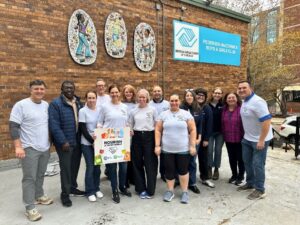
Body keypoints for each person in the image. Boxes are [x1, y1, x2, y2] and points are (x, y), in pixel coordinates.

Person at [9, 80, 53, 222]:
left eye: (41, 89)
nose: (39, 91)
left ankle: (39, 195)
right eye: (36, 89)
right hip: (29, 148)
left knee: (40, 174)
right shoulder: (21, 105)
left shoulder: (46, 105)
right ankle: (29, 207)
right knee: (29, 178)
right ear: (30, 90)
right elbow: (13, 126)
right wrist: (18, 146)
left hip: (44, 147)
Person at [49, 80, 85, 207]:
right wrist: (63, 141)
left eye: (71, 87)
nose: (69, 89)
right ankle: (65, 194)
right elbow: (54, 125)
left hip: (77, 140)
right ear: (61, 89)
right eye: (66, 88)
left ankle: (72, 187)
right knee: (65, 169)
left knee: (74, 166)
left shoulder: (79, 103)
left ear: (74, 89)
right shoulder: (55, 104)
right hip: (64, 142)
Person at [155, 94, 197, 204]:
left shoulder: (186, 114)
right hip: (167, 149)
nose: (174, 103)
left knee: (183, 171)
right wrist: (157, 145)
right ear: (169, 102)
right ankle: (170, 191)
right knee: (169, 171)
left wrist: (192, 146)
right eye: (172, 101)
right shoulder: (163, 115)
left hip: (183, 149)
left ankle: (184, 192)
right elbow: (158, 130)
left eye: (176, 100)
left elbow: (192, 130)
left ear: (179, 101)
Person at [237, 81, 273, 200]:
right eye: (239, 88)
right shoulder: (244, 101)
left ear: (250, 88)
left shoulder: (258, 102)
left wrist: (261, 140)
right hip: (247, 138)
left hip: (260, 139)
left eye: (244, 88)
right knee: (247, 161)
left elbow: (267, 121)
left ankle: (260, 189)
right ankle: (250, 183)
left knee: (258, 164)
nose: (241, 90)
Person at [98, 84, 131, 203]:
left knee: (123, 167)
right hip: (109, 141)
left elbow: (126, 122)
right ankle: (114, 190)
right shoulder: (104, 107)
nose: (115, 94)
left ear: (119, 93)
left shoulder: (124, 107)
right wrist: (97, 133)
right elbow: (100, 122)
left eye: (116, 92)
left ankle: (122, 187)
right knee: (112, 168)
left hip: (122, 141)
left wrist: (129, 129)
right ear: (109, 93)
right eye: (112, 92)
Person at [129, 89, 158, 199]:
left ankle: (150, 190)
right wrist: (130, 130)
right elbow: (130, 123)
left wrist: (157, 142)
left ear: (147, 98)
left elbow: (156, 125)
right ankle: (140, 188)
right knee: (137, 163)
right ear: (137, 98)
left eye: (143, 97)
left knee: (150, 163)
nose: (141, 99)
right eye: (140, 97)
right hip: (136, 137)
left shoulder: (152, 110)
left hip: (149, 136)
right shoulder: (133, 110)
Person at [78, 91, 103, 202]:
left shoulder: (99, 110)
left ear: (96, 99)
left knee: (97, 167)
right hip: (87, 144)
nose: (91, 100)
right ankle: (90, 191)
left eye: (93, 97)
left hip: (98, 143)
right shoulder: (83, 111)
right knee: (90, 167)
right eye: (89, 98)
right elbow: (82, 128)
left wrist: (98, 142)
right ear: (86, 99)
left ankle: (97, 188)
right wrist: (91, 141)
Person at [180, 89, 202, 194]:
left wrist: (199, 138)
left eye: (191, 95)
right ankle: (179, 180)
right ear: (184, 97)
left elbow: (200, 125)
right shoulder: (180, 109)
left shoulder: (198, 109)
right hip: (183, 139)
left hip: (194, 139)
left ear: (194, 97)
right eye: (187, 95)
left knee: (192, 162)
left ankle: (192, 183)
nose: (189, 97)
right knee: (181, 161)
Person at [221, 92, 245, 185]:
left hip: (240, 138)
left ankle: (241, 176)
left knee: (240, 158)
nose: (231, 99)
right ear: (226, 100)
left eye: (233, 97)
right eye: (229, 98)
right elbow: (222, 124)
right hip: (228, 138)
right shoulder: (224, 110)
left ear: (236, 98)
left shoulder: (241, 109)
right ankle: (234, 175)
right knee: (232, 158)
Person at [194, 88, 215, 188]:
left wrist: (206, 139)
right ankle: (187, 178)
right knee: (188, 160)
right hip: (191, 139)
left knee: (203, 159)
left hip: (203, 140)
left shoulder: (207, 108)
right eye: (198, 95)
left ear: (205, 97)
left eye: (202, 96)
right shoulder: (191, 107)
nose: (200, 97)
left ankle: (205, 178)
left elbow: (209, 125)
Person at [149, 85, 169, 182]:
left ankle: (163, 173)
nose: (157, 92)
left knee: (164, 155)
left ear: (162, 92)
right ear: (152, 93)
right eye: (155, 91)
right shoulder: (148, 104)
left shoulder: (167, 104)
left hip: (165, 133)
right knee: (153, 154)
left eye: (159, 91)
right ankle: (153, 173)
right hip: (152, 132)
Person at [121, 84, 137, 187]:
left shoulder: (136, 104)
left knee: (133, 158)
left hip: (134, 133)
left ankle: (133, 178)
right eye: (126, 92)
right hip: (123, 134)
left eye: (130, 92)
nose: (128, 94)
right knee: (125, 157)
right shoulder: (121, 104)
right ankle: (125, 180)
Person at [208, 87, 224, 180]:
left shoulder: (223, 105)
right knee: (209, 151)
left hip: (220, 132)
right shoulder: (207, 105)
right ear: (212, 93)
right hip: (209, 132)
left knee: (218, 150)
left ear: (221, 95)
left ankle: (216, 169)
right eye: (215, 93)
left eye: (219, 93)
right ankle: (209, 167)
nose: (217, 95)